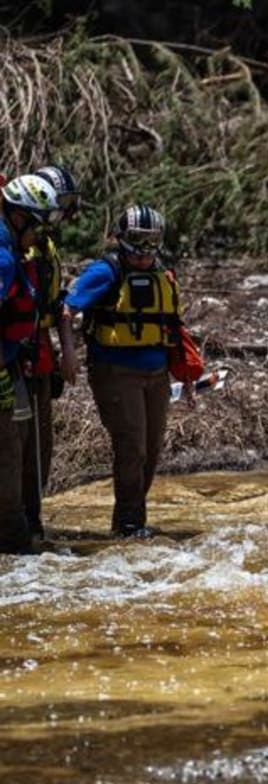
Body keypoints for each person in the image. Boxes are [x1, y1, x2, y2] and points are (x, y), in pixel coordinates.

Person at [60, 204, 184, 539]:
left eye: (152, 242)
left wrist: (184, 371)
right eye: (137, 241)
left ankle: (130, 519)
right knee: (132, 447)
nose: (144, 252)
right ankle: (130, 525)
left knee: (152, 449)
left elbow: (172, 325)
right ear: (121, 239)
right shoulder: (105, 272)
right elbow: (67, 309)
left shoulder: (162, 272)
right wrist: (68, 353)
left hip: (157, 374)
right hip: (116, 372)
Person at [0, 173, 62, 553]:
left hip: (11, 362)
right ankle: (18, 553)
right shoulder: (4, 259)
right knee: (8, 463)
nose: (41, 236)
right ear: (20, 217)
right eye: (39, 226)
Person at [17, 164, 80, 539]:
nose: (67, 214)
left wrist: (66, 351)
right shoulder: (13, 245)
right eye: (63, 204)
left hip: (42, 356)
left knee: (41, 447)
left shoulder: (47, 246)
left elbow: (57, 306)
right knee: (17, 444)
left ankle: (33, 518)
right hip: (16, 356)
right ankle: (19, 522)